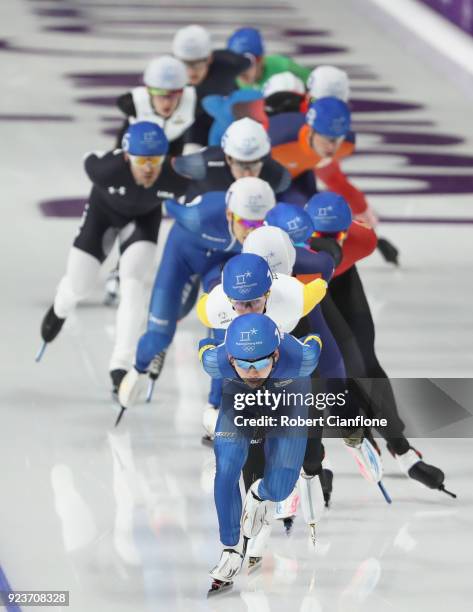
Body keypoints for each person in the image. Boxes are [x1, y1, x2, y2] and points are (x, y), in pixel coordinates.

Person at [304, 192, 452, 495]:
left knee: (366, 364)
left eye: (337, 236)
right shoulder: (293, 245)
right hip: (306, 285)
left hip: (341, 279)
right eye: (321, 237)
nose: (330, 244)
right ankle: (318, 460)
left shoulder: (363, 240)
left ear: (348, 230)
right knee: (326, 373)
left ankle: (402, 450)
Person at [37, 122, 189, 395]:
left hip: (143, 221)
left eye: (155, 160)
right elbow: (89, 159)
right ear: (127, 156)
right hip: (102, 216)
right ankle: (61, 305)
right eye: (141, 160)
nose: (148, 168)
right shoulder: (105, 170)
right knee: (79, 285)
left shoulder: (175, 177)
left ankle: (120, 365)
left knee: (132, 285)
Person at [117, 177, 277, 418]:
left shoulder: (267, 233)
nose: (252, 230)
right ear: (229, 214)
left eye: (260, 223)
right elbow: (165, 200)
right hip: (182, 258)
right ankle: (138, 369)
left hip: (222, 268)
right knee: (158, 336)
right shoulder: (197, 217)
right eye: (245, 221)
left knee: (228, 334)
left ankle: (215, 405)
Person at [199, 313, 322, 593]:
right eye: (243, 364)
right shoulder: (215, 361)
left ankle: (261, 493)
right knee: (226, 469)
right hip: (239, 404)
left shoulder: (301, 359)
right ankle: (230, 551)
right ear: (230, 360)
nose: (252, 372)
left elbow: (315, 341)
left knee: (280, 490)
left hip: (288, 404)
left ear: (276, 355)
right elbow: (204, 346)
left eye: (260, 363)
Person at [173, 116, 291, 200]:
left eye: (254, 164)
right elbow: (170, 169)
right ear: (228, 158)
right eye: (240, 164)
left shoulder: (278, 177)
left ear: (263, 159)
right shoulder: (203, 164)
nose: (247, 173)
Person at [172, 24, 251, 146]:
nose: (192, 72)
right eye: (185, 63)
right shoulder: (168, 76)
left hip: (227, 121)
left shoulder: (229, 64)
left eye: (197, 64)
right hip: (192, 124)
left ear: (209, 58)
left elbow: (252, 61)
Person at [115, 55, 197, 156]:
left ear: (183, 91)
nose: (167, 103)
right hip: (138, 144)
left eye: (173, 94)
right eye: (160, 95)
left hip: (174, 144)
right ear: (148, 91)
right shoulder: (132, 103)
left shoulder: (195, 100)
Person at [227, 27, 311, 90]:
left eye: (246, 63)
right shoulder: (228, 83)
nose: (240, 72)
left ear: (262, 59)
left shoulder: (284, 66)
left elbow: (316, 90)